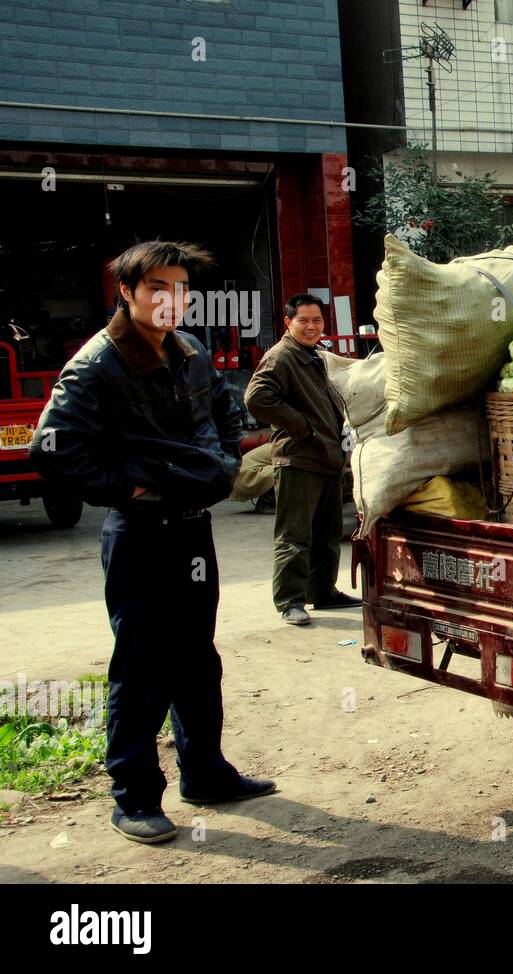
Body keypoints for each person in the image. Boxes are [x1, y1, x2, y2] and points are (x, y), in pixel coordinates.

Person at [30, 241, 275, 844]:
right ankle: (134, 797)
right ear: (128, 293)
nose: (172, 300)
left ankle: (206, 772)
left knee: (196, 656)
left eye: (181, 289)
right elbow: (53, 449)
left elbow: (226, 411)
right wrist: (124, 490)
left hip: (192, 528)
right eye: (157, 289)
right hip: (140, 535)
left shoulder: (188, 349)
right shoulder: (97, 364)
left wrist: (217, 463)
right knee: (141, 667)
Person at [245, 294, 359, 626]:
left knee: (328, 531)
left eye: (317, 321)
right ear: (288, 322)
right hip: (299, 459)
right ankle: (289, 600)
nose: (311, 327)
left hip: (326, 457)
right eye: (304, 321)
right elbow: (256, 397)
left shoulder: (315, 356)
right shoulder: (282, 357)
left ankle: (322, 591)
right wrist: (303, 428)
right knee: (295, 535)